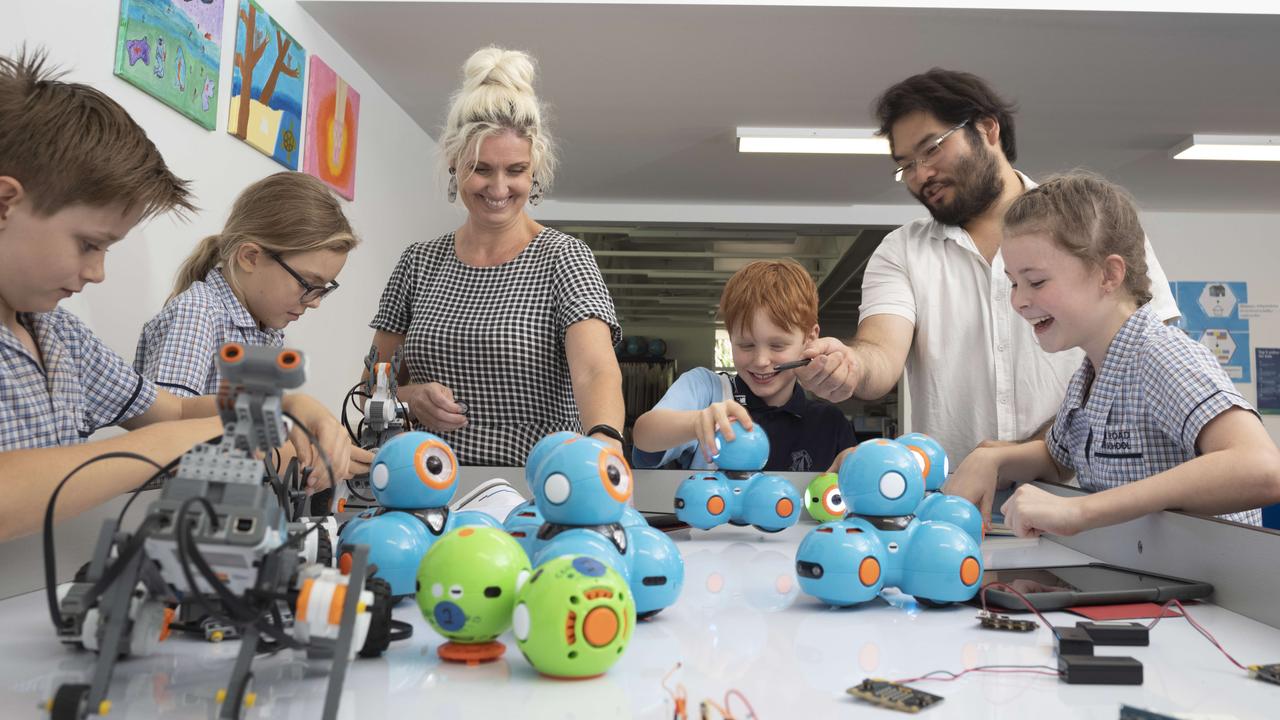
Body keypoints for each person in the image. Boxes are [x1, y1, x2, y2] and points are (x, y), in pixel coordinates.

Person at [0, 49, 357, 542]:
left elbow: (173, 410)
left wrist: (294, 405)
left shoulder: (61, 336)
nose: (99, 273)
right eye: (88, 244)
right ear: (5, 204)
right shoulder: (195, 315)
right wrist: (209, 436)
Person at [793, 69, 1179, 467]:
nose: (921, 174)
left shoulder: (1096, 225)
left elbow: (1141, 358)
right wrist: (848, 367)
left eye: (932, 149)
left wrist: (1033, 453)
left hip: (1087, 497)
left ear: (987, 129)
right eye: (906, 165)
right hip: (954, 510)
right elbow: (878, 353)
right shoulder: (901, 251)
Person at [944, 172, 1280, 535]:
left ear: (1109, 274)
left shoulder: (1160, 355)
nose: (1019, 300)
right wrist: (993, 457)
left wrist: (1081, 510)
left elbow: (1260, 468)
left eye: (1036, 281)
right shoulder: (1088, 376)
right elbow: (1058, 460)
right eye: (1013, 282)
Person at [366, 47, 623, 466]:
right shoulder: (417, 263)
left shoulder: (564, 258)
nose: (499, 188)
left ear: (534, 169)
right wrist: (409, 398)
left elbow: (595, 371)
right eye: (481, 169)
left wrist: (605, 442)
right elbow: (371, 387)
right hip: (426, 483)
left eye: (516, 171)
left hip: (538, 488)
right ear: (454, 162)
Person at [136, 171, 358, 397]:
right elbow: (171, 424)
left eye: (322, 289)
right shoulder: (197, 315)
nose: (316, 302)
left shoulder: (267, 331)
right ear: (251, 257)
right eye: (308, 283)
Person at [631, 260, 855, 472]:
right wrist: (699, 421)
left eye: (777, 346)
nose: (760, 361)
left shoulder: (830, 424)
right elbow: (644, 436)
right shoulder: (706, 391)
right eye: (746, 345)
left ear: (810, 338)